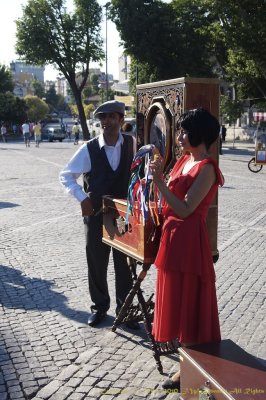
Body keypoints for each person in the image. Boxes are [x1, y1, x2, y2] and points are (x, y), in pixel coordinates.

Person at [149, 108, 224, 391]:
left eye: (183, 131)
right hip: (172, 240)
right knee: (178, 305)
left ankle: (190, 370)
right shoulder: (183, 161)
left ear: (199, 135)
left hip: (190, 243)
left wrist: (159, 182)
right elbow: (169, 201)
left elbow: (185, 208)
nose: (179, 137)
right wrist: (156, 185)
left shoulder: (207, 167)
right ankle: (186, 364)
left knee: (190, 307)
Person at [59, 100, 139, 330]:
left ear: (121, 120)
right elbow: (66, 175)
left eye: (112, 116)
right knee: (96, 262)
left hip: (123, 214)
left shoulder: (132, 144)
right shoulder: (89, 148)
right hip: (95, 214)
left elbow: (140, 173)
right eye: (103, 117)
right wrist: (81, 198)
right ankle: (99, 307)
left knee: (125, 263)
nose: (107, 121)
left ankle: (125, 309)